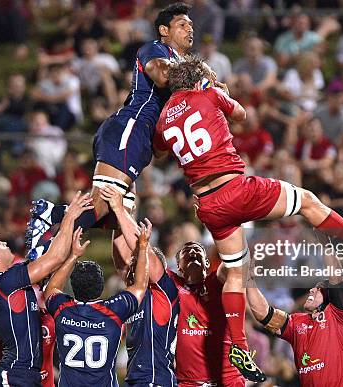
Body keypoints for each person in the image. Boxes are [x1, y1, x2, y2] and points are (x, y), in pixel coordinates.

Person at [153, 55, 343, 381]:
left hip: (209, 205)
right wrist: (219, 89)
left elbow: (158, 151)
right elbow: (241, 115)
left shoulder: (163, 118)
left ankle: (239, 343)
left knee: (235, 274)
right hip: (237, 188)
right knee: (309, 201)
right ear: (198, 81)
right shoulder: (207, 93)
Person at [25, 2, 195, 255]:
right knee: (102, 204)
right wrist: (202, 77)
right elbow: (161, 75)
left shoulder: (183, 69)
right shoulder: (156, 49)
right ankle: (49, 220)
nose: (189, 29)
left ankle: (134, 287)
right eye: (182, 24)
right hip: (131, 128)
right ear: (164, 30)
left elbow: (162, 146)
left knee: (116, 219)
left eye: (191, 25)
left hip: (139, 140)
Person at [100, 185, 247, 386]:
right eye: (187, 252)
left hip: (183, 379)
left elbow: (234, 262)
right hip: (164, 379)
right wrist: (118, 218)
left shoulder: (172, 288)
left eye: (198, 250)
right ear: (178, 266)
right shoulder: (150, 288)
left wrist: (119, 209)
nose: (193, 252)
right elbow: (123, 258)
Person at [0, 191, 91, 386]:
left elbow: (48, 269)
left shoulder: (5, 282)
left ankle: (46, 220)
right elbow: (53, 259)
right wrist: (70, 216)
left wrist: (71, 254)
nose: (6, 243)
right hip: (15, 374)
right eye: (0, 244)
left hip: (25, 374)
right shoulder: (5, 281)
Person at [43, 221, 151, 386]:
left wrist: (74, 256)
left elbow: (52, 287)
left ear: (73, 286)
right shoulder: (114, 311)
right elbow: (141, 285)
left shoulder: (62, 309)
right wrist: (143, 247)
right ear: (101, 287)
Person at [101, 186, 179, 386]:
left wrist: (119, 209)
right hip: (136, 378)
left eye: (136, 262)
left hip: (157, 380)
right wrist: (123, 209)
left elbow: (141, 250)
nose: (130, 266)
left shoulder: (164, 289)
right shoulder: (136, 291)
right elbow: (120, 255)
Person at [246, 252, 343, 386]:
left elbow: (337, 279)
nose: (312, 290)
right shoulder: (296, 322)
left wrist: (325, 243)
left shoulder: (340, 317)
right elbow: (263, 314)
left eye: (318, 289)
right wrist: (249, 281)